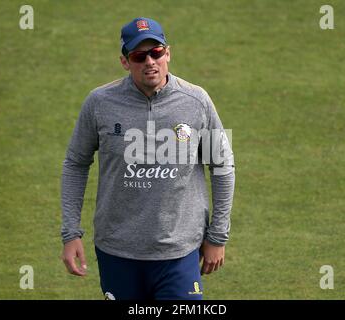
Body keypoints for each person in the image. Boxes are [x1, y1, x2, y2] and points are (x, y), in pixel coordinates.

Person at [61, 17, 235, 300]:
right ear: (125, 62)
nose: (150, 62)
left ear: (168, 53)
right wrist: (71, 233)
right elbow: (75, 163)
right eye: (139, 56)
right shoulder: (99, 103)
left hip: (179, 252)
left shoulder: (197, 101)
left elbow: (223, 167)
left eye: (156, 53)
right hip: (117, 251)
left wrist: (218, 236)